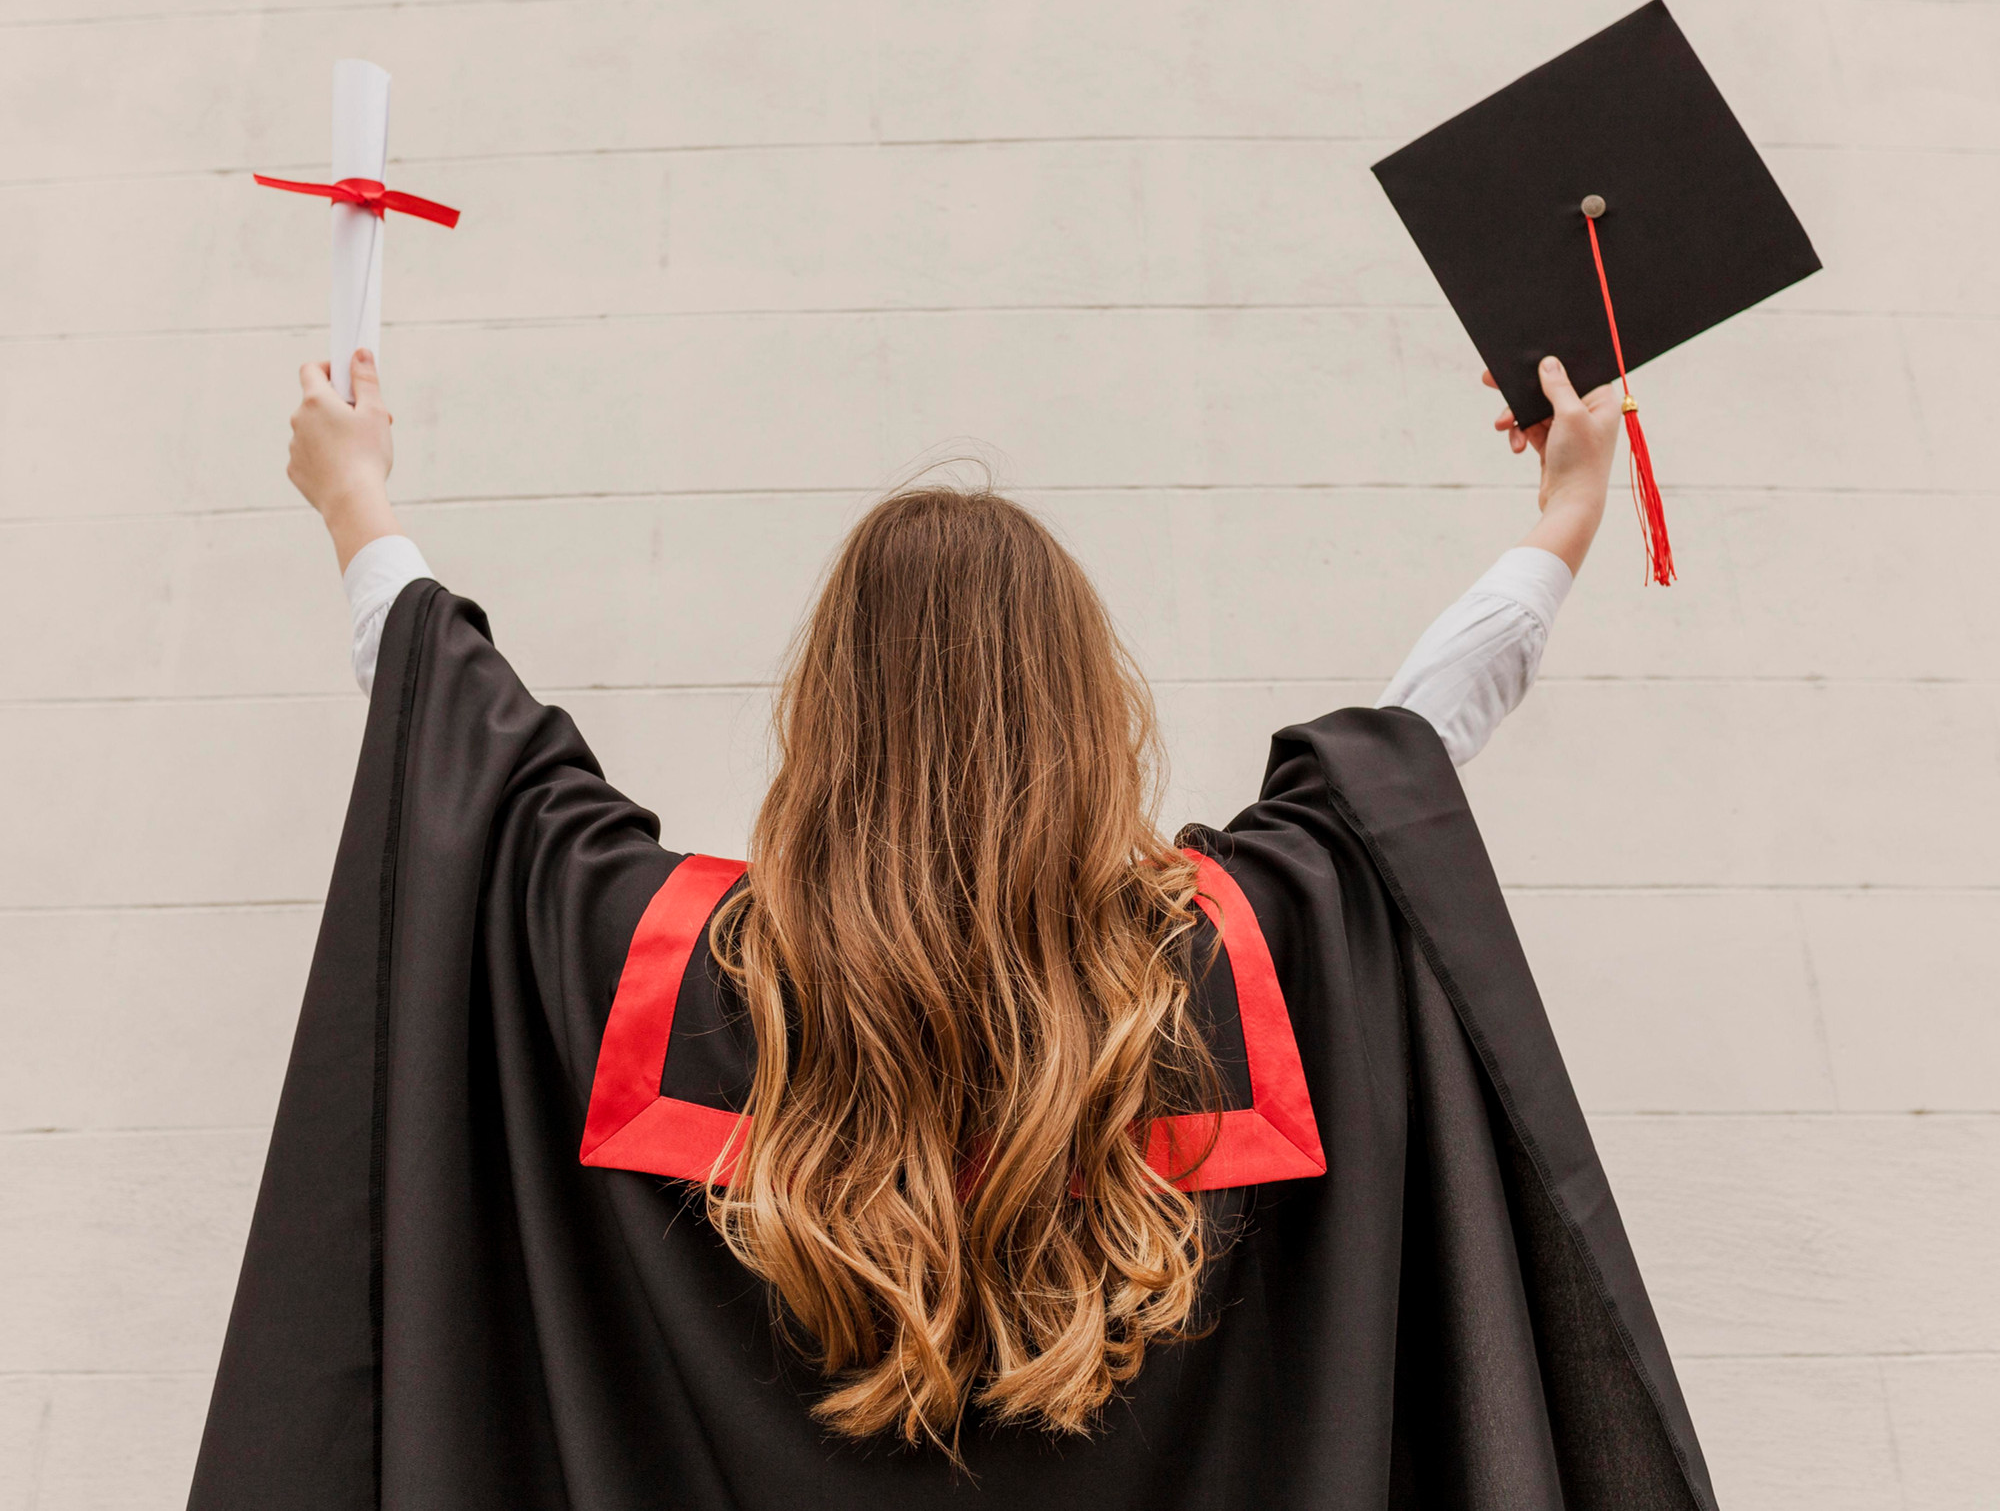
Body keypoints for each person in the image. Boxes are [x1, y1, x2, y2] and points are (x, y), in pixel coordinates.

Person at [188, 349, 1719, 1511]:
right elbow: (1405, 755)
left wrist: (357, 498)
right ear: (1077, 712)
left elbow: (474, 768)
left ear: (829, 715)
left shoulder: (694, 981)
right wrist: (1564, 518)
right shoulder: (1212, 972)